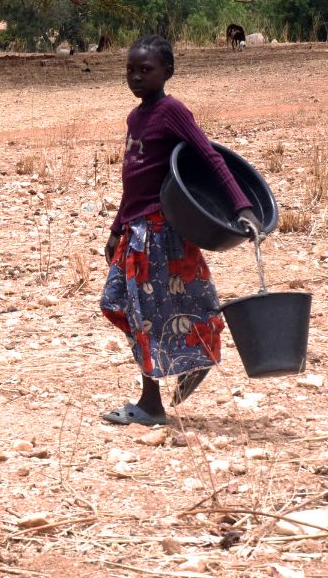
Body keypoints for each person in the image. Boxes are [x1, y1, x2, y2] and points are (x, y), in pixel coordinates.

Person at [99, 35, 258, 426]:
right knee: (117, 303)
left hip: (160, 230)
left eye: (145, 70)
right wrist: (116, 228)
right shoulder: (135, 117)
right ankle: (194, 359)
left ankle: (152, 403)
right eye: (130, 70)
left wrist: (242, 206)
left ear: (167, 72)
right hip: (135, 228)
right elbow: (133, 183)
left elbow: (209, 156)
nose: (136, 77)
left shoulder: (172, 111)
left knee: (143, 312)